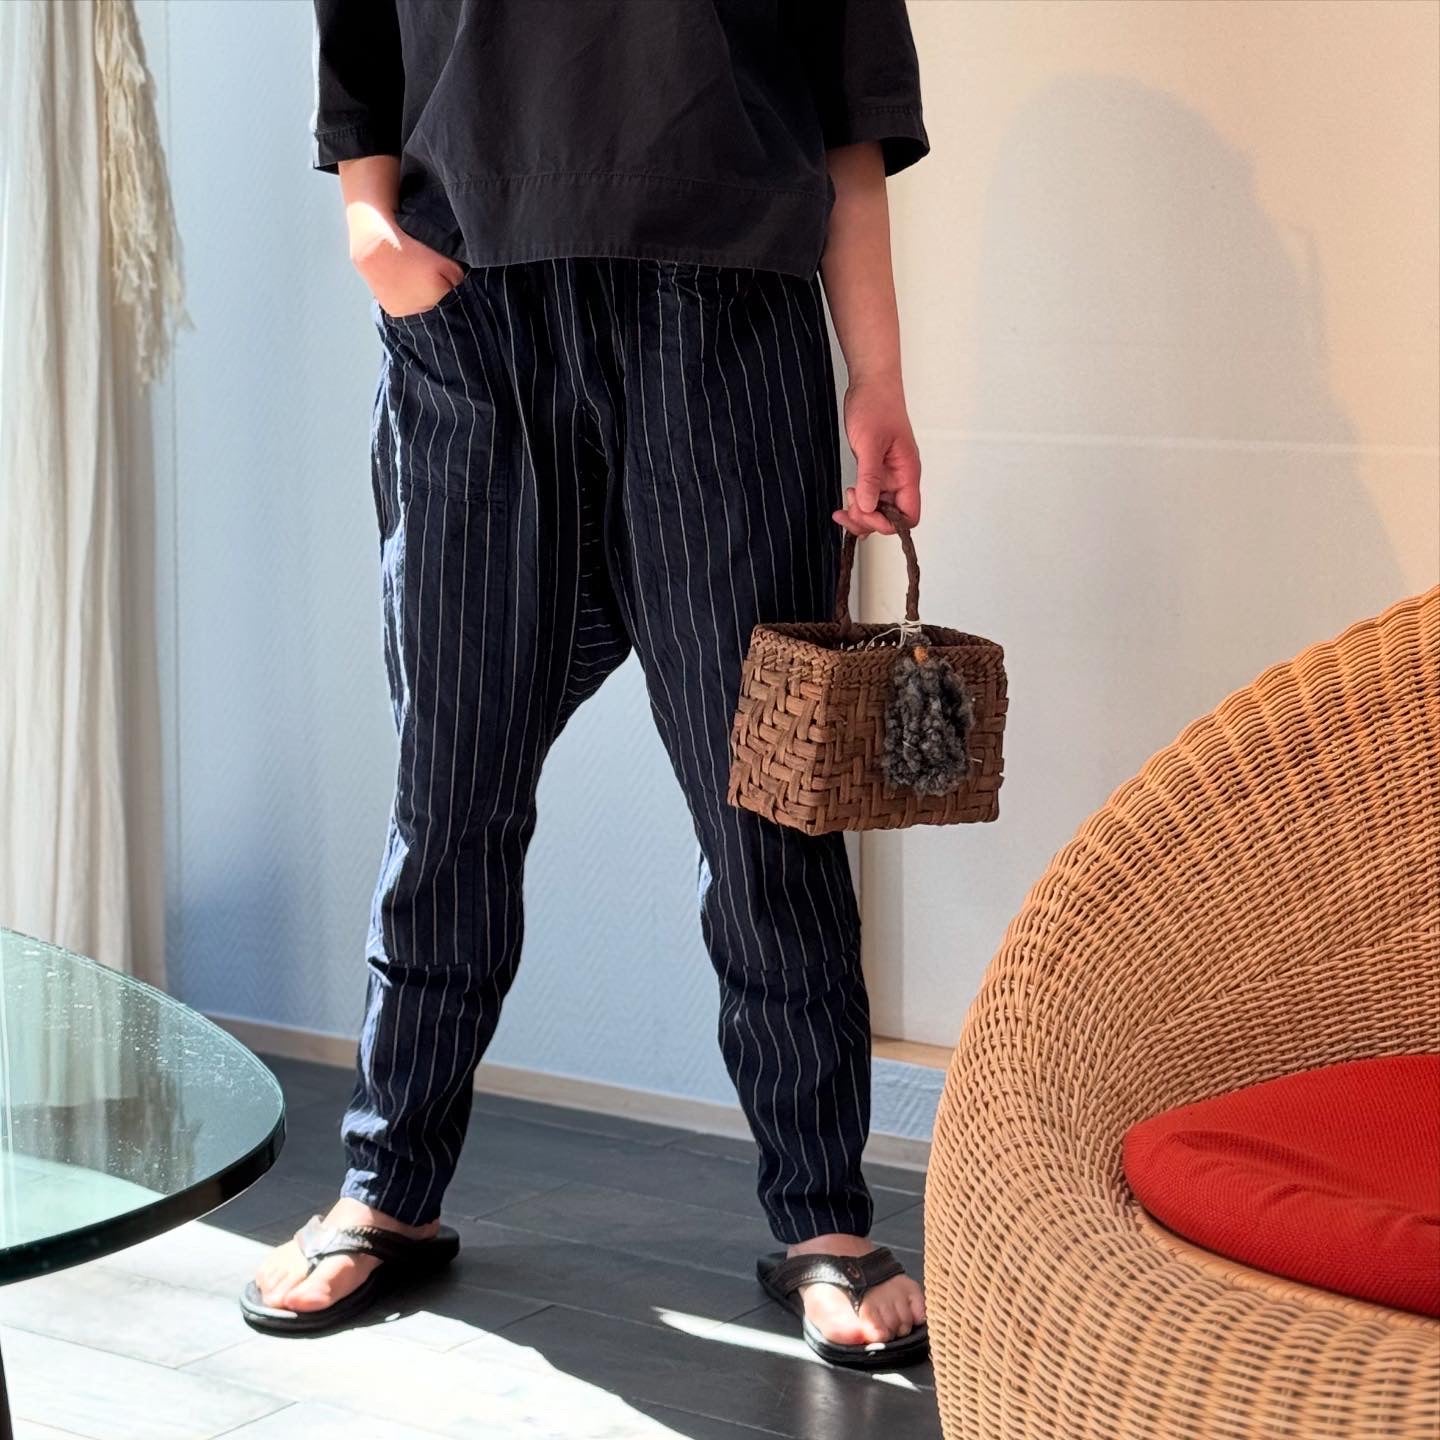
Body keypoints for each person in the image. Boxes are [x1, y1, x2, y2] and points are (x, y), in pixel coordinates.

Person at [241, 0, 930, 1370]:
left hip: (729, 327)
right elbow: (359, 60)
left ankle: (823, 1214)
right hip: (475, 321)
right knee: (452, 791)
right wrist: (371, 232)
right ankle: (386, 1185)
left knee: (765, 807)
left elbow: (848, 126)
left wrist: (879, 379)